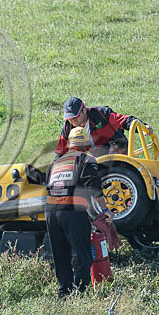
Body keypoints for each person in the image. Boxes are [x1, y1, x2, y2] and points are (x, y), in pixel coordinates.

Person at [45, 127, 114, 297]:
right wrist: (105, 210)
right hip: (72, 211)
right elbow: (94, 188)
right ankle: (81, 293)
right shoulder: (86, 159)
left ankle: (64, 293)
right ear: (86, 144)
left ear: (69, 144)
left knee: (60, 254)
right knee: (82, 254)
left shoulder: (56, 162)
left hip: (51, 212)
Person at [54, 97, 153, 157]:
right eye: (70, 118)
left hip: (114, 147)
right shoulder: (68, 127)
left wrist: (143, 127)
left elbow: (125, 120)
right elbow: (60, 152)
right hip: (92, 155)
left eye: (76, 117)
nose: (73, 121)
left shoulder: (102, 113)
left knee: (113, 151)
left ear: (84, 110)